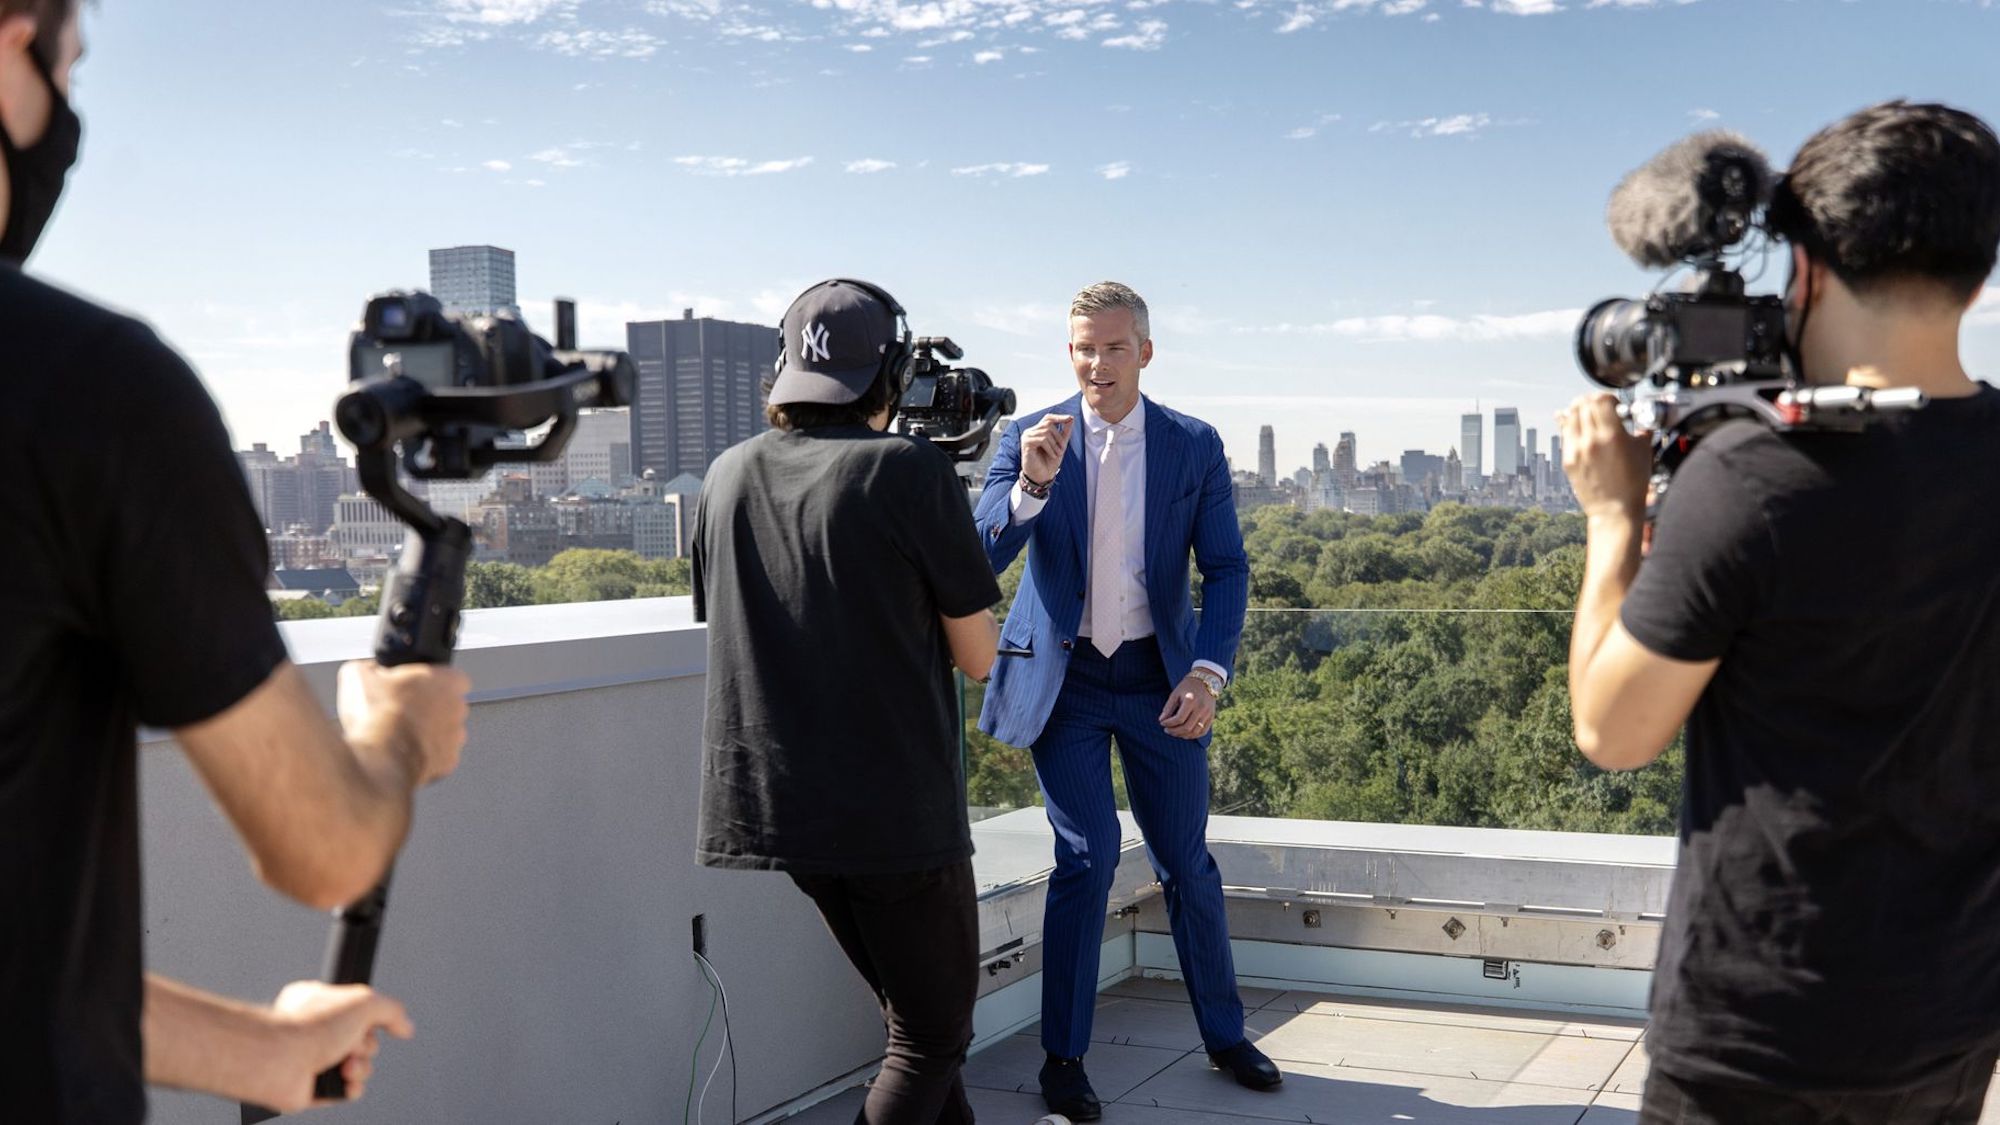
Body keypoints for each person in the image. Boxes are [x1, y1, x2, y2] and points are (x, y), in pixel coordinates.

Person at [0, 3, 472, 1120]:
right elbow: (324, 852)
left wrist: (253, 1049)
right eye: (71, 65)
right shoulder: (87, 393)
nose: (69, 111)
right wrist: (396, 733)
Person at [1559, 100, 2000, 1124]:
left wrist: (1612, 518)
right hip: (1954, 1007)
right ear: (1976, 275)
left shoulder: (1756, 478)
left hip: (1759, 1027)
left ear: (1802, 267)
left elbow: (1610, 730)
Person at [691, 278, 1003, 1124]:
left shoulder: (727, 474)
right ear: (891, 374)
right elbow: (978, 657)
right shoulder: (906, 472)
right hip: (895, 814)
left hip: (780, 811)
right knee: (931, 1038)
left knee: (917, 1024)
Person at [975, 281, 1277, 1120]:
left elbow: (1227, 570)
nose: (1096, 363)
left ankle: (1225, 1034)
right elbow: (977, 557)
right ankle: (1063, 1060)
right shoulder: (1027, 438)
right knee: (1089, 852)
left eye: (1112, 347)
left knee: (1188, 860)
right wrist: (1030, 485)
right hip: (1064, 685)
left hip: (1161, 680)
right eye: (1082, 348)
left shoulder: (1192, 444)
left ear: (1144, 351)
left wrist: (1207, 673)